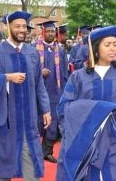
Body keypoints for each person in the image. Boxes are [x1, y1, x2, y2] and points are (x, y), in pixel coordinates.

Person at [0, 11, 52, 181]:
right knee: (4, 166)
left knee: (32, 167)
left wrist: (46, 109)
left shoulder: (32, 53)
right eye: (17, 26)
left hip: (29, 121)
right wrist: (6, 77)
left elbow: (39, 85)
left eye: (24, 27)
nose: (22, 30)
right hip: (5, 122)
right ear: (8, 28)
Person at [56, 26, 116, 180]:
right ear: (95, 48)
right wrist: (93, 110)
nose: (112, 48)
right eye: (107, 45)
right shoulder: (78, 77)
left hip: (115, 140)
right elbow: (63, 108)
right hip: (86, 140)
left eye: (115, 44)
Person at [35, 20, 68, 163]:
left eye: (52, 31)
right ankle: (34, 151)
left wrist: (65, 90)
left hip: (56, 91)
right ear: (43, 32)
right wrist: (39, 72)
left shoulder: (59, 50)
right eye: (47, 31)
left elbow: (65, 71)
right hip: (38, 91)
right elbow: (27, 69)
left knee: (53, 121)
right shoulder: (34, 49)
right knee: (37, 121)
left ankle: (47, 152)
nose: (50, 34)